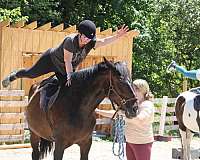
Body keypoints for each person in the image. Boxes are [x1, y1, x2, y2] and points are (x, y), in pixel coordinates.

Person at [2, 20, 139, 88]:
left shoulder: (91, 42)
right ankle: (15, 75)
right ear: (79, 33)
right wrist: (69, 75)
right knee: (31, 74)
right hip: (51, 60)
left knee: (70, 88)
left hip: (65, 69)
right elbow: (67, 61)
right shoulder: (70, 41)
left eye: (89, 38)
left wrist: (117, 36)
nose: (86, 40)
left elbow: (104, 41)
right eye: (84, 37)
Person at [96, 79, 154, 160]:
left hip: (142, 142)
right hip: (130, 141)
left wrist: (123, 115)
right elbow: (116, 113)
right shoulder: (133, 104)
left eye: (134, 89)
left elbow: (140, 120)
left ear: (141, 90)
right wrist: (97, 111)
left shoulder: (146, 105)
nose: (132, 92)